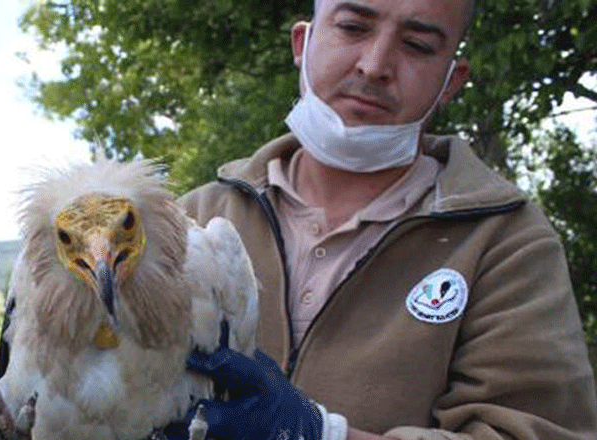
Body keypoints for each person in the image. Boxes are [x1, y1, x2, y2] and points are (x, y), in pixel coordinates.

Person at [172, 0, 597, 439]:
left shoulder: (507, 242)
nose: (375, 65)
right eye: (354, 27)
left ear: (451, 81)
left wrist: (319, 433)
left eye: (416, 45)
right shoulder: (189, 219)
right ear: (303, 43)